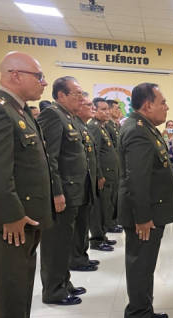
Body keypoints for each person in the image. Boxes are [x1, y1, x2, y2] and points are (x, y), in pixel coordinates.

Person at [0, 51, 56, 318]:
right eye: (38, 76)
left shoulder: (20, 111)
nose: (43, 83)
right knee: (9, 285)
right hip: (12, 220)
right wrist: (11, 214)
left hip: (29, 217)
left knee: (23, 281)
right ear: (15, 75)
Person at [118, 83, 173, 318]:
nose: (166, 107)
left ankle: (144, 308)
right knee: (140, 264)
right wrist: (142, 218)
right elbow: (137, 179)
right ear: (148, 105)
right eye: (162, 101)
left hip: (151, 211)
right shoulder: (137, 131)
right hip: (145, 215)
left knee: (145, 263)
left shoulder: (145, 128)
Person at [38, 76, 91, 306]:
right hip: (64, 193)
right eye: (76, 94)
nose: (80, 98)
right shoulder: (52, 114)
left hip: (74, 191)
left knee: (65, 242)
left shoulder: (68, 116)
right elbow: (49, 157)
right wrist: (56, 192)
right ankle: (53, 290)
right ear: (60, 95)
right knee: (55, 244)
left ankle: (64, 283)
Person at [70, 93, 106, 275]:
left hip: (87, 181)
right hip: (75, 184)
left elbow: (93, 156)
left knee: (83, 224)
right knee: (77, 226)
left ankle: (81, 256)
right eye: (88, 105)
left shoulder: (83, 127)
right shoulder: (77, 125)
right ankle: (76, 258)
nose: (92, 108)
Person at [89, 97, 119, 253]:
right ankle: (96, 239)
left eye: (108, 109)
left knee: (107, 207)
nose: (107, 112)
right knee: (99, 209)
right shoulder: (94, 127)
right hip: (103, 176)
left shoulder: (103, 127)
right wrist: (99, 174)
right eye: (103, 109)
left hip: (110, 175)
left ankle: (103, 235)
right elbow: (93, 153)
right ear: (94, 110)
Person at [106, 99, 123, 234]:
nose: (119, 111)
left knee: (114, 196)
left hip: (116, 166)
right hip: (108, 168)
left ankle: (113, 221)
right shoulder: (106, 126)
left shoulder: (115, 125)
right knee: (108, 199)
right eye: (116, 108)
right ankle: (109, 223)